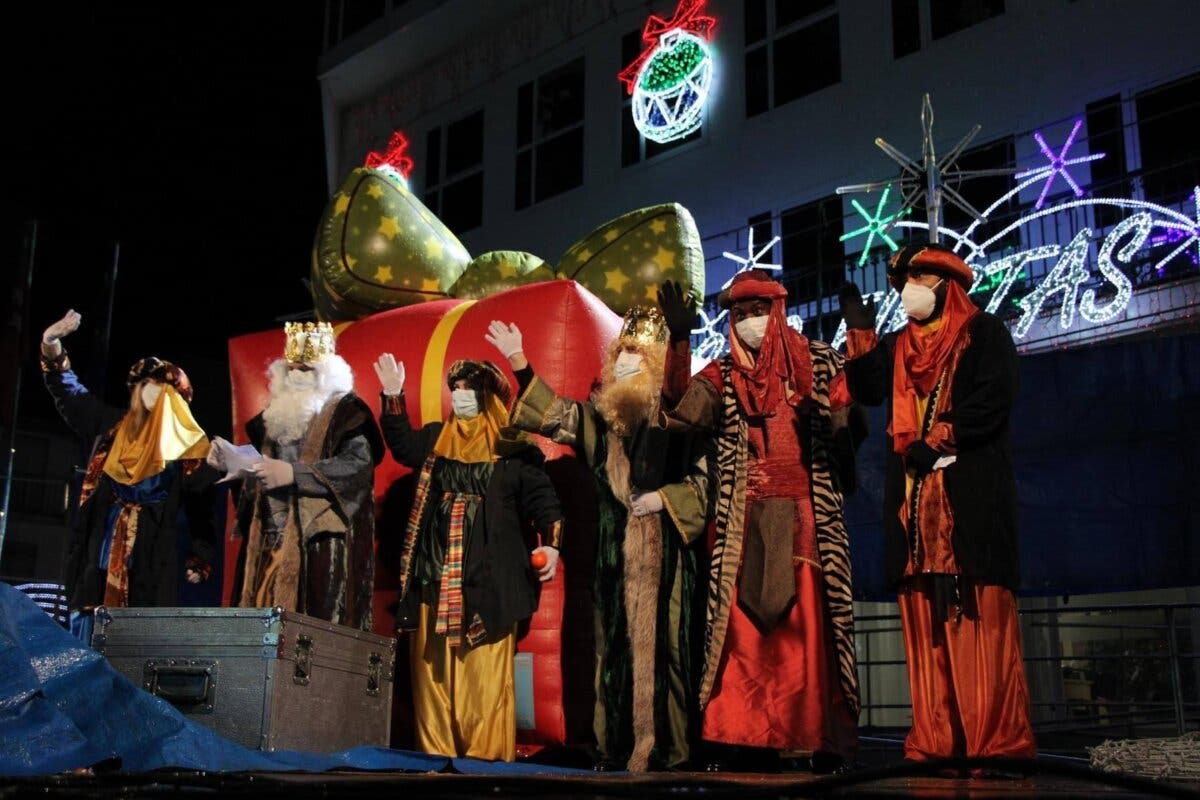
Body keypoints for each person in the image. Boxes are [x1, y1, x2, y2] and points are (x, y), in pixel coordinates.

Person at [487, 308, 711, 772]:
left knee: (670, 650)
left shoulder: (680, 418)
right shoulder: (599, 420)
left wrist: (665, 499)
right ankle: (616, 746)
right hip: (613, 556)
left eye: (637, 357)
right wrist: (520, 360)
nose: (626, 364)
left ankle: (673, 750)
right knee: (612, 652)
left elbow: (706, 479)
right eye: (621, 355)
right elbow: (554, 415)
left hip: (666, 554)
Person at [838, 243, 1037, 764]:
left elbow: (996, 396)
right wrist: (859, 333)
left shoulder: (982, 333)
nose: (910, 287)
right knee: (925, 632)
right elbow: (867, 388)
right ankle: (936, 744)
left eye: (920, 277)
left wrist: (942, 436)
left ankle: (997, 747)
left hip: (968, 508)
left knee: (982, 631)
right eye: (905, 278)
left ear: (946, 284)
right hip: (915, 515)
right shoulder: (899, 344)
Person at [656, 273, 860, 772]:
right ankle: (742, 732)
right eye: (740, 314)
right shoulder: (722, 374)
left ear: (778, 309)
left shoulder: (818, 362)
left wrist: (845, 388)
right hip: (743, 518)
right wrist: (679, 344)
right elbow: (682, 413)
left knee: (806, 625)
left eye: (757, 311)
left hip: (806, 515)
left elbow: (850, 425)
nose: (749, 322)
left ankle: (809, 734)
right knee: (743, 628)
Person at [374, 354, 564, 762]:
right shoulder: (437, 440)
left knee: (484, 675)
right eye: (455, 389)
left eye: (468, 390)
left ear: (488, 397)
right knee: (433, 670)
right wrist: (392, 394)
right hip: (435, 573)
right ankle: (435, 754)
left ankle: (485, 761)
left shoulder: (514, 450)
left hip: (490, 581)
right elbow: (403, 445)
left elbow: (545, 502)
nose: (460, 396)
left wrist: (551, 543)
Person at [40, 309, 216, 610]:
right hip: (99, 551)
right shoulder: (111, 426)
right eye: (146, 383)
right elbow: (69, 393)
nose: (151, 391)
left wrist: (200, 558)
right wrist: (51, 343)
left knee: (138, 635)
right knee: (89, 618)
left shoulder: (186, 451)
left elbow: (202, 511)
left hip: (150, 561)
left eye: (161, 387)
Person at [216, 322, 382, 630]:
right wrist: (236, 466)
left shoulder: (346, 413)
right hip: (267, 545)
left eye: (306, 370)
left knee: (306, 632)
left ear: (325, 373)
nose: (297, 377)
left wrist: (295, 473)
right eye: (291, 369)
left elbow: (357, 465)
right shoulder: (274, 418)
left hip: (314, 548)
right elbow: (262, 475)